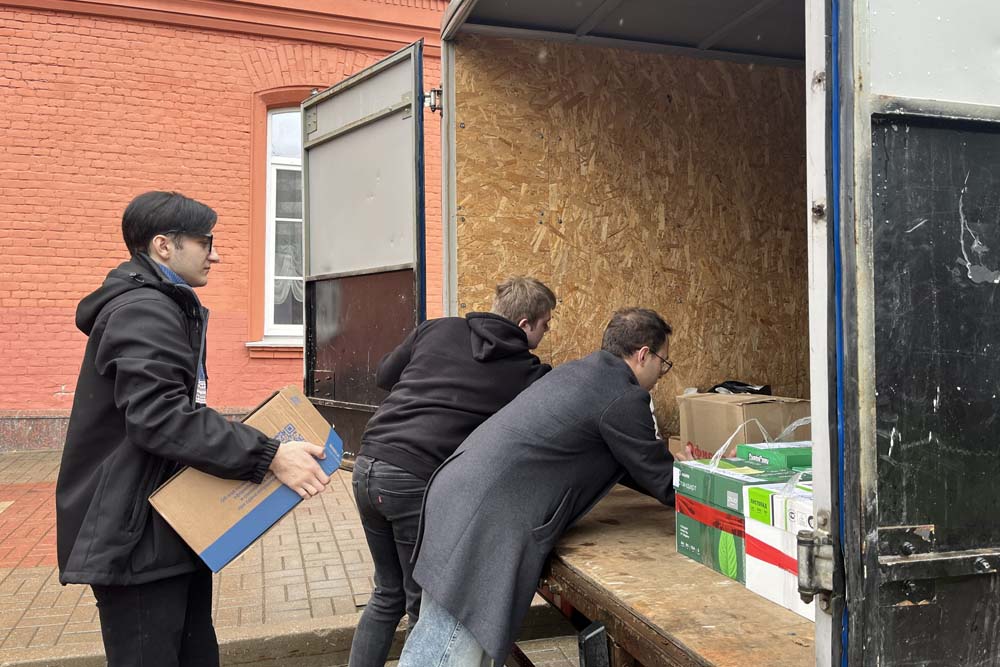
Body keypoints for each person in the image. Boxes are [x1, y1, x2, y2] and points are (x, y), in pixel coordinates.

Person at [56, 191, 331, 667]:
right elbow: (159, 417)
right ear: (164, 246)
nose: (215, 255)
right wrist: (269, 454)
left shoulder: (161, 305)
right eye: (206, 242)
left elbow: (171, 411)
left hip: (162, 529)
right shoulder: (144, 310)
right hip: (137, 537)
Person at [398, 307, 677, 667]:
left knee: (443, 636)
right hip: (485, 520)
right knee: (449, 649)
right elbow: (662, 478)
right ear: (643, 354)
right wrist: (713, 491)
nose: (661, 374)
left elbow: (631, 461)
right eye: (663, 363)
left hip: (458, 495)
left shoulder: (581, 373)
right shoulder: (622, 395)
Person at [348, 277, 557, 667]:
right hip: (414, 480)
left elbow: (384, 376)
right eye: (545, 324)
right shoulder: (527, 373)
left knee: (387, 593)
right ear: (525, 324)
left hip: (367, 465)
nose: (546, 333)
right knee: (421, 604)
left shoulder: (438, 329)